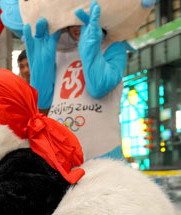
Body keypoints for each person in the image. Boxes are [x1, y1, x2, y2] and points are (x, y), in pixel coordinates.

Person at [23, 0, 129, 160]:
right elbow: (42, 101)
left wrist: (91, 44)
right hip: (61, 154)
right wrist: (40, 63)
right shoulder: (59, 53)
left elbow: (98, 85)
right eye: (71, 18)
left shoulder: (114, 48)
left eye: (81, 15)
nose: (76, 24)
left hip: (103, 153)